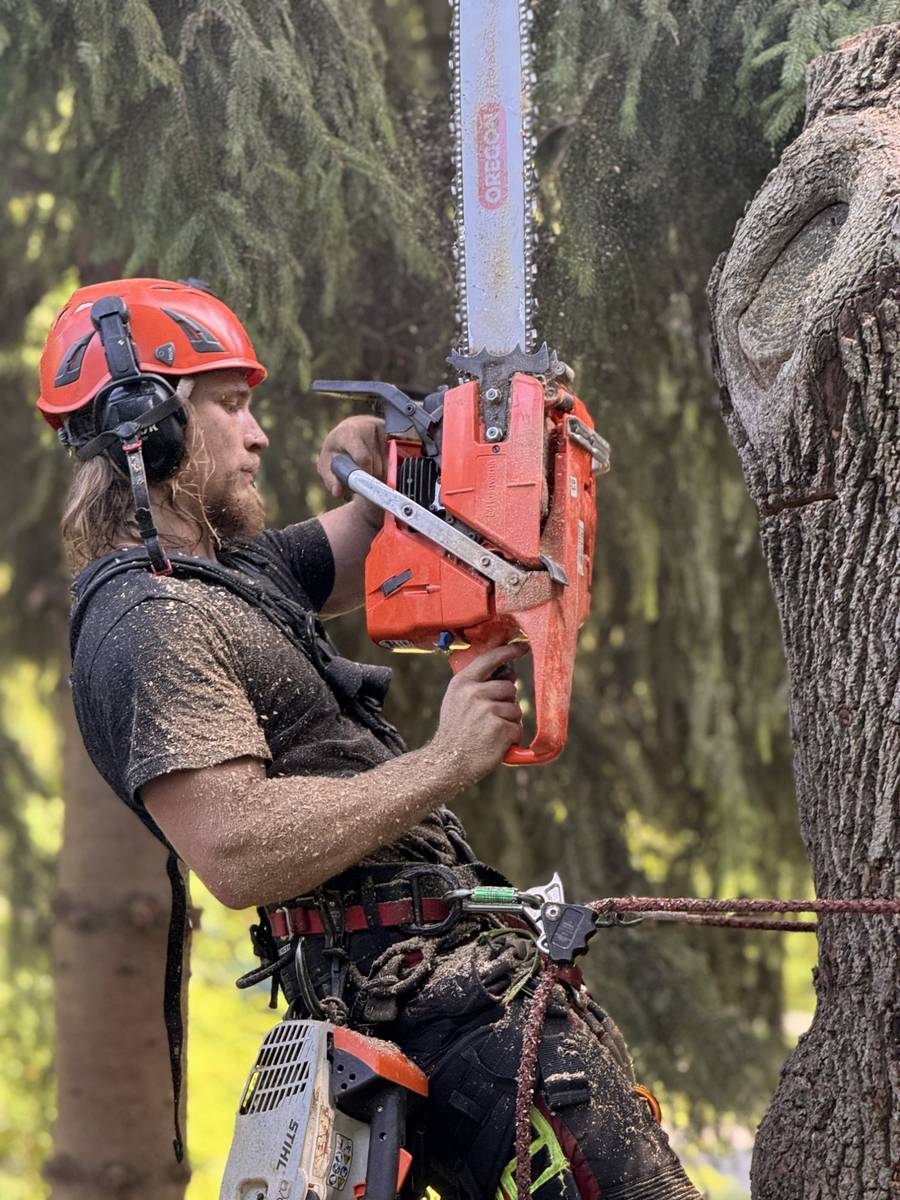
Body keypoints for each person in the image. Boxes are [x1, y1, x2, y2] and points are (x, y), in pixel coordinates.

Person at [41, 277, 701, 1200]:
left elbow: (381, 532)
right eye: (230, 406)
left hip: (456, 990)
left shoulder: (232, 577)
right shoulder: (148, 622)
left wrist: (405, 456)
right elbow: (234, 847)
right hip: (428, 1008)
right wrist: (442, 762)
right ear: (147, 425)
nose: (259, 434)